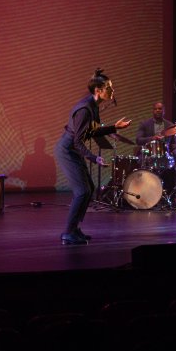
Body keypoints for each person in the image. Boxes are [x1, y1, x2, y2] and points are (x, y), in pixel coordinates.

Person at [54, 69, 131, 245]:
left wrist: (114, 127)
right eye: (109, 88)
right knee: (82, 191)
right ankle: (68, 232)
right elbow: (78, 141)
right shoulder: (85, 110)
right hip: (67, 150)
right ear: (98, 90)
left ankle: (74, 229)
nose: (112, 91)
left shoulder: (93, 106)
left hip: (72, 149)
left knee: (88, 189)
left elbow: (93, 131)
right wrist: (93, 158)